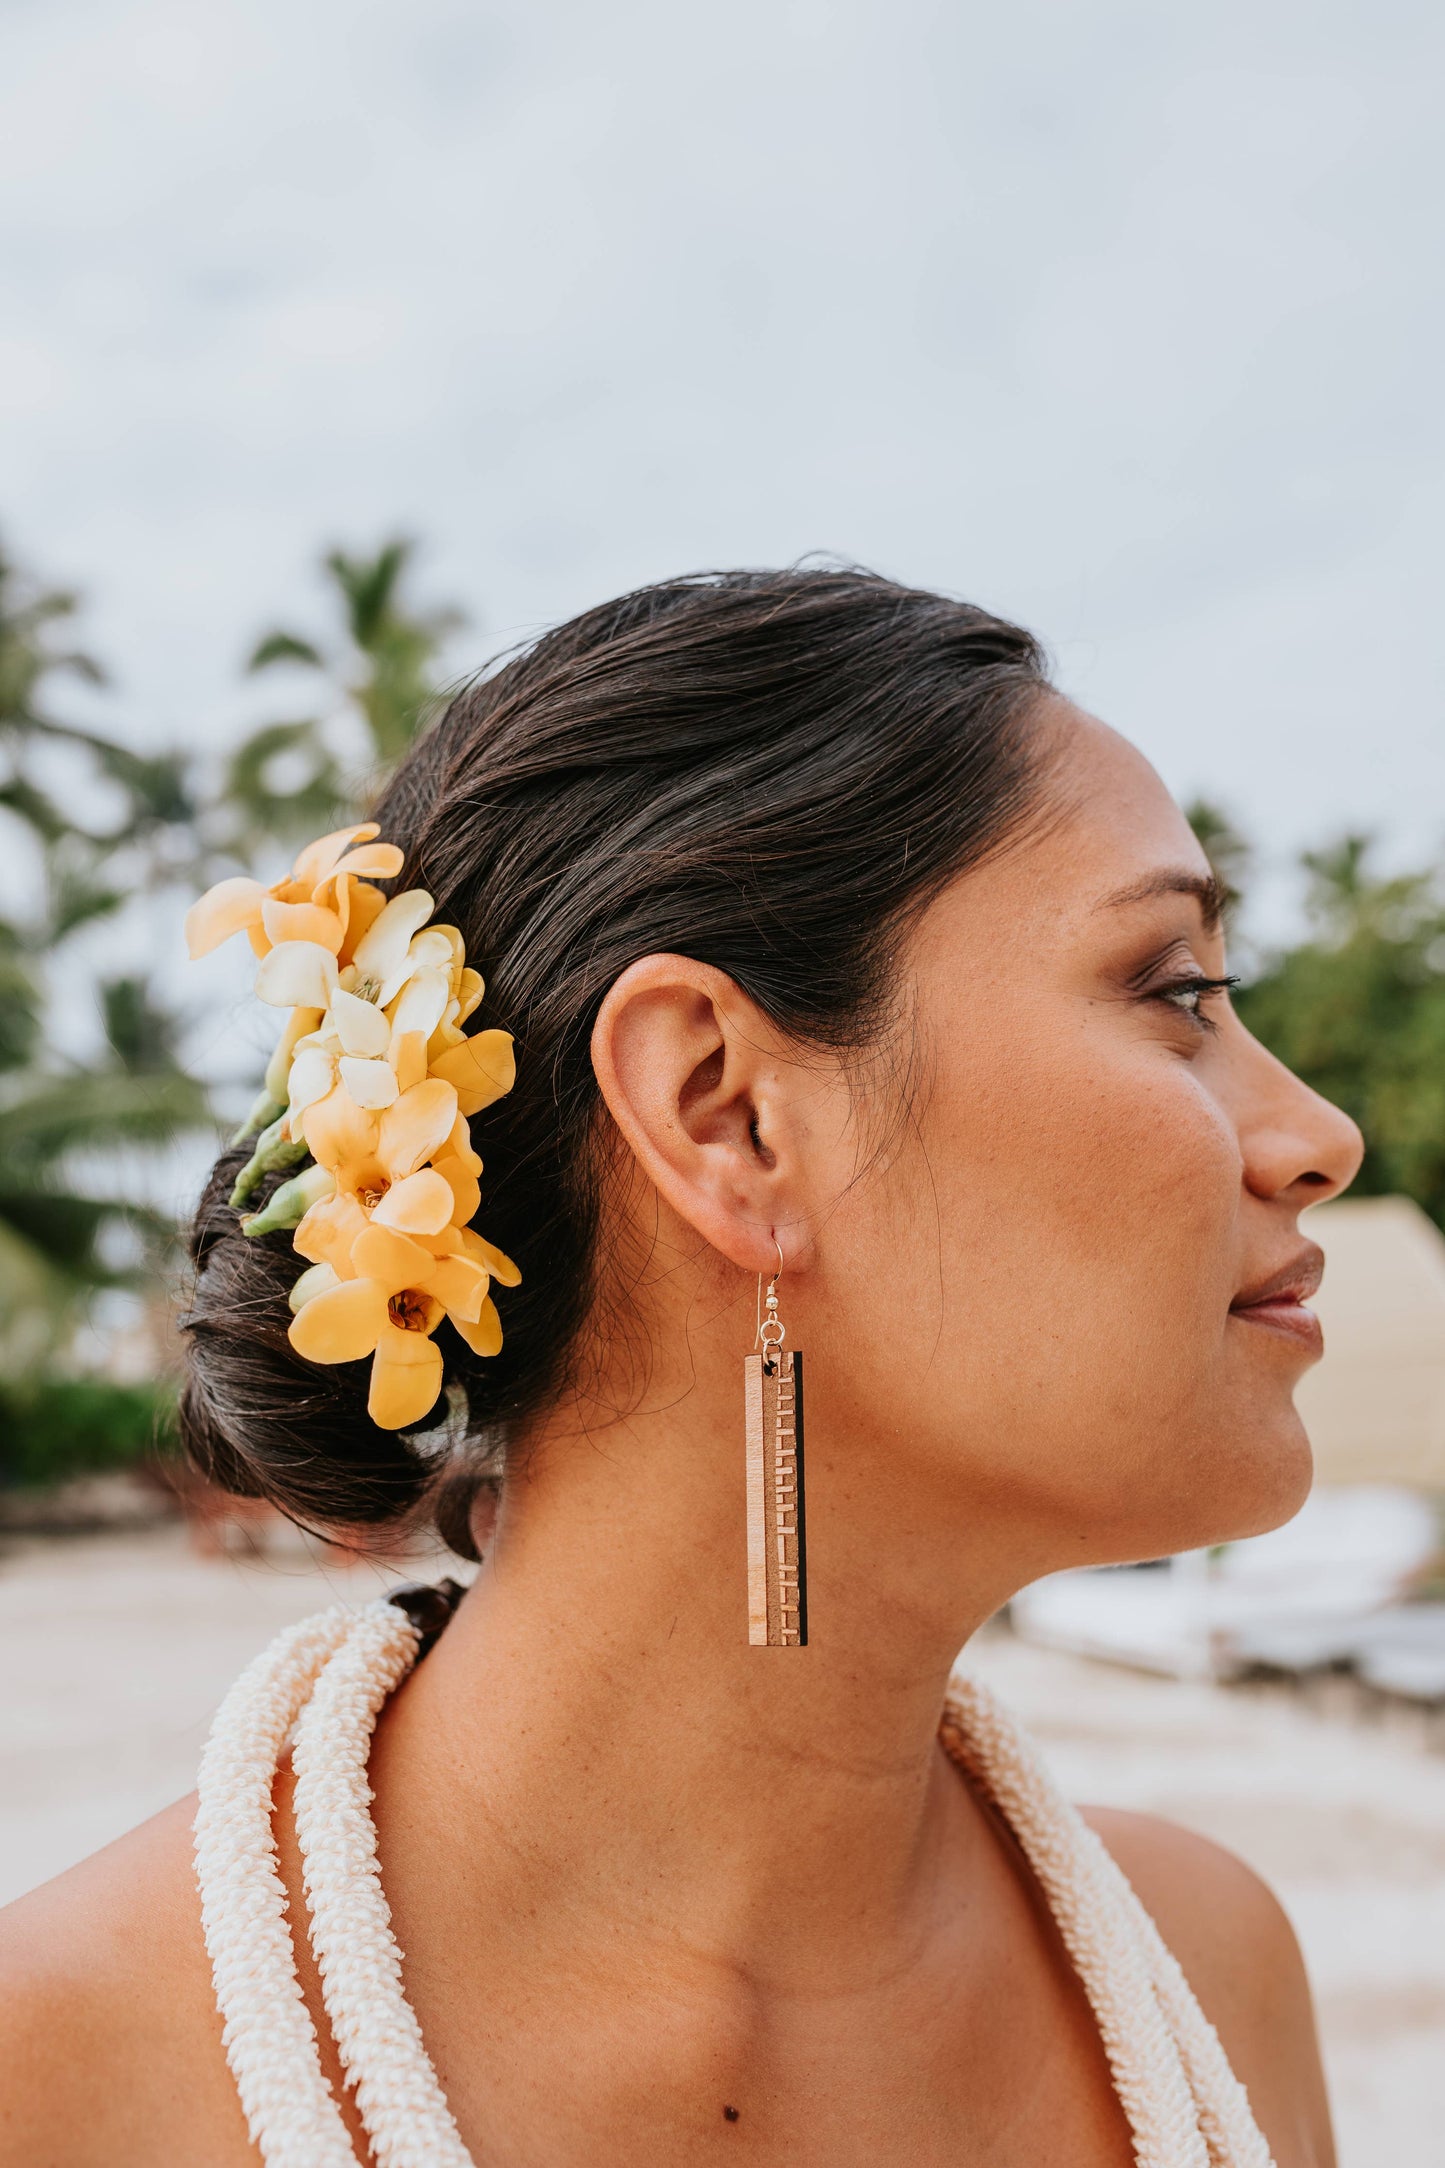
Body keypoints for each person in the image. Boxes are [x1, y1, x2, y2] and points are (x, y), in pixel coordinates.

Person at [0, 568, 1358, 2166]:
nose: (1317, 1137)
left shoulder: (1204, 1981)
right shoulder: (67, 2084)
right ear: (724, 1113)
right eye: (1174, 991)